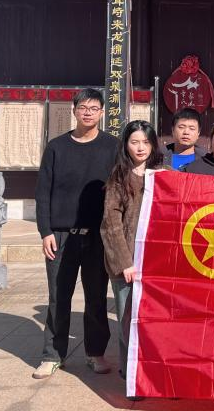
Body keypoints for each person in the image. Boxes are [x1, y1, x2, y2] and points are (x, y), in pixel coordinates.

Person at [33, 88, 119, 379]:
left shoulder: (112, 147)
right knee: (59, 297)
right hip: (60, 236)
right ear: (74, 110)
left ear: (102, 112)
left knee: (96, 296)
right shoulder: (57, 147)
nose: (88, 113)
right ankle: (52, 355)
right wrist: (45, 231)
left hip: (97, 236)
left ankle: (95, 352)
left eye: (94, 108)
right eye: (83, 107)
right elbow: (43, 192)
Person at [100, 120, 165, 378]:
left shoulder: (163, 176)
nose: (140, 148)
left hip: (157, 262)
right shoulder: (118, 179)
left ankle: (154, 372)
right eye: (134, 142)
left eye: (146, 142)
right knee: (128, 321)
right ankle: (131, 376)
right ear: (125, 145)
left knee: (157, 322)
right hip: (128, 264)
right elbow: (110, 224)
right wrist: (125, 262)